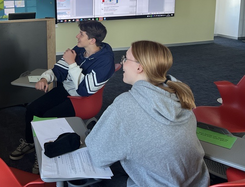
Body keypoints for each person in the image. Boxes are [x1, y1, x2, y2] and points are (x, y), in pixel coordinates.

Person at [85, 40, 210, 187]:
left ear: (139, 67)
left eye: (125, 58)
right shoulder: (179, 93)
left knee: (94, 181)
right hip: (196, 182)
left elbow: (98, 155)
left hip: (161, 182)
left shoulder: (126, 104)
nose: (123, 64)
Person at [9, 20, 115, 171]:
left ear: (92, 40)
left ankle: (46, 153)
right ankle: (30, 143)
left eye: (82, 34)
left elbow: (85, 90)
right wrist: (45, 78)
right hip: (67, 90)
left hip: (83, 100)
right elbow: (59, 69)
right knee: (32, 109)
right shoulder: (80, 49)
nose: (77, 36)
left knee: (48, 118)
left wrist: (72, 63)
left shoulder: (105, 61)